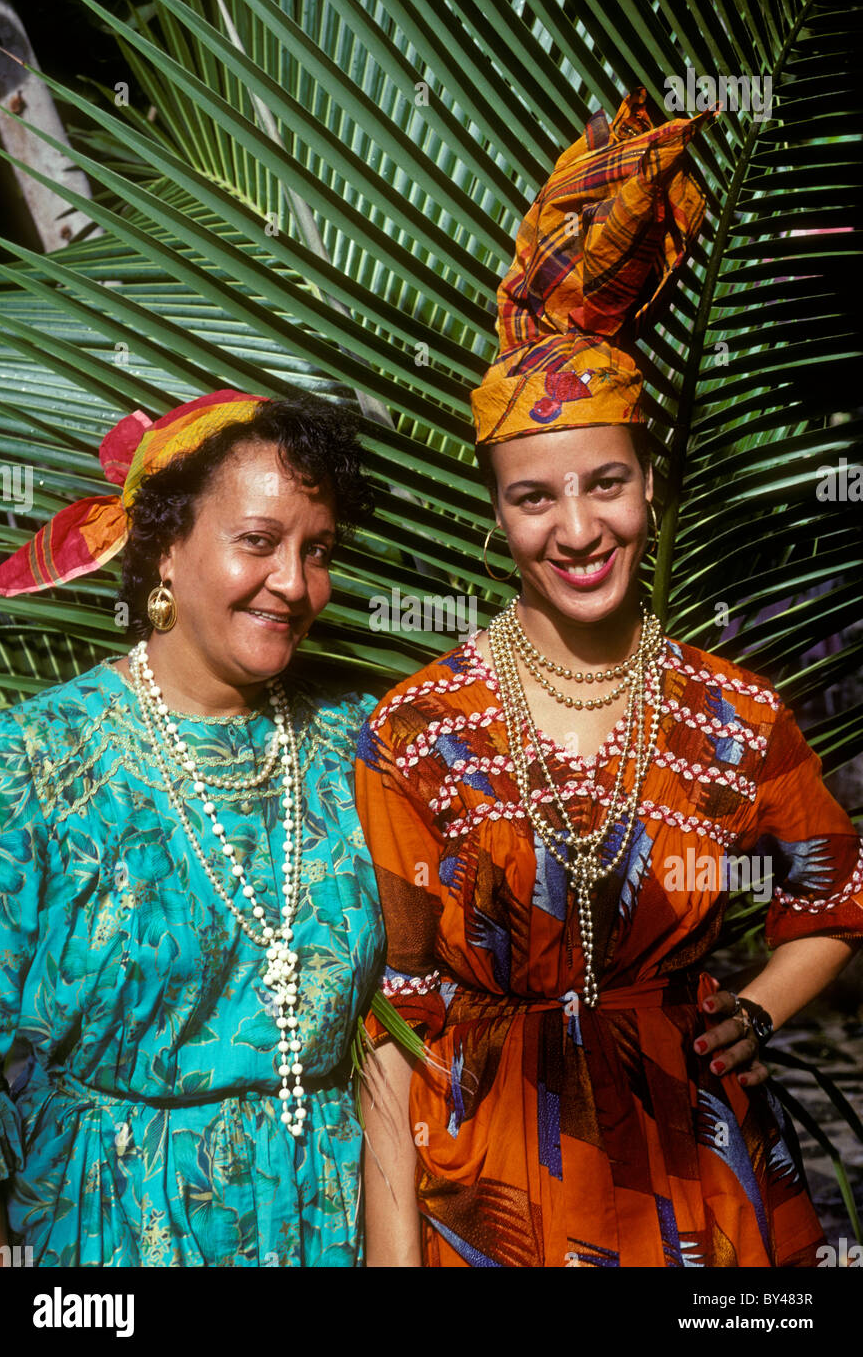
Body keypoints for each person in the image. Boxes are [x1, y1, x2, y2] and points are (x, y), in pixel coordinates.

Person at [355, 91, 863, 1268]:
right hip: (482, 1194)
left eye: (605, 485)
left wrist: (758, 1010)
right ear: (497, 516)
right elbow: (386, 1014)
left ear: (651, 489)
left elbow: (832, 895)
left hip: (699, 1178)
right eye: (535, 497)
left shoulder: (737, 714)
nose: (577, 528)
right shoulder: (415, 726)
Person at [0, 389, 384, 1266]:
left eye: (317, 551)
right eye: (258, 542)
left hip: (324, 1219)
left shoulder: (358, 747)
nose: (294, 582)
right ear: (166, 546)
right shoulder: (32, 761)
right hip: (109, 1233)